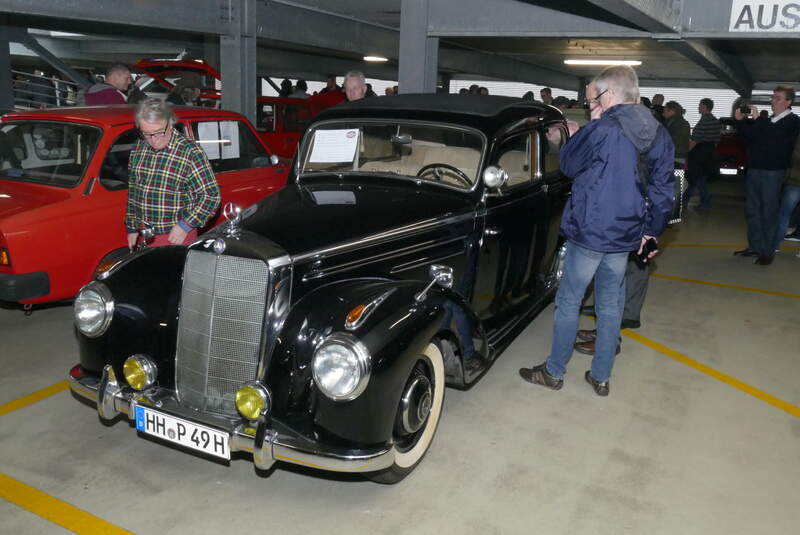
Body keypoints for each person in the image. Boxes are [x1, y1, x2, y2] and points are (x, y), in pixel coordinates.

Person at [518, 65, 674, 396]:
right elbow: (663, 190)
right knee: (610, 302)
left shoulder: (602, 128)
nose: (591, 106)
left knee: (569, 300)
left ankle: (554, 371)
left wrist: (570, 136)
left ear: (610, 95)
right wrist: (650, 231)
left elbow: (570, 165)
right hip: (625, 234)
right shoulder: (659, 132)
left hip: (591, 231)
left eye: (592, 100)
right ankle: (601, 377)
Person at [125, 98, 220, 249]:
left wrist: (185, 225)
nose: (154, 140)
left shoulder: (190, 151)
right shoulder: (139, 148)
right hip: (145, 234)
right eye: (147, 134)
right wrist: (131, 227)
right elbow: (133, 190)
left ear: (170, 123)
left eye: (159, 133)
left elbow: (211, 196)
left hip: (176, 235)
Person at [733, 85, 800, 265]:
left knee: (768, 211)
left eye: (778, 98)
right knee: (752, 210)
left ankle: (768, 251)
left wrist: (758, 120)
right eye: (773, 97)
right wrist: (740, 122)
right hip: (755, 169)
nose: (773, 101)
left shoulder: (792, 121)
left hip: (773, 172)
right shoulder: (769, 120)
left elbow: (773, 137)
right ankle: (755, 246)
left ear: (788, 102)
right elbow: (751, 137)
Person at [683, 98, 722, 209]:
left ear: (705, 106)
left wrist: (686, 152)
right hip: (710, 153)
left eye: (700, 105)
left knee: (695, 178)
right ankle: (701, 202)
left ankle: (689, 202)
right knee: (699, 179)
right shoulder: (715, 120)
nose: (698, 107)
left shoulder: (704, 121)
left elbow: (695, 140)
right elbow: (716, 140)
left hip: (699, 154)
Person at [773, 135, 800, 251]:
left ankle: (775, 245)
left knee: (784, 215)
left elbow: (794, 155)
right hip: (795, 180)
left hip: (795, 180)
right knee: (784, 214)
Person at [662, 100, 690, 167]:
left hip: (676, 157)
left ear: (671, 111)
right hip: (675, 157)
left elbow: (674, 141)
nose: (663, 112)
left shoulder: (678, 124)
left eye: (665, 110)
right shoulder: (673, 122)